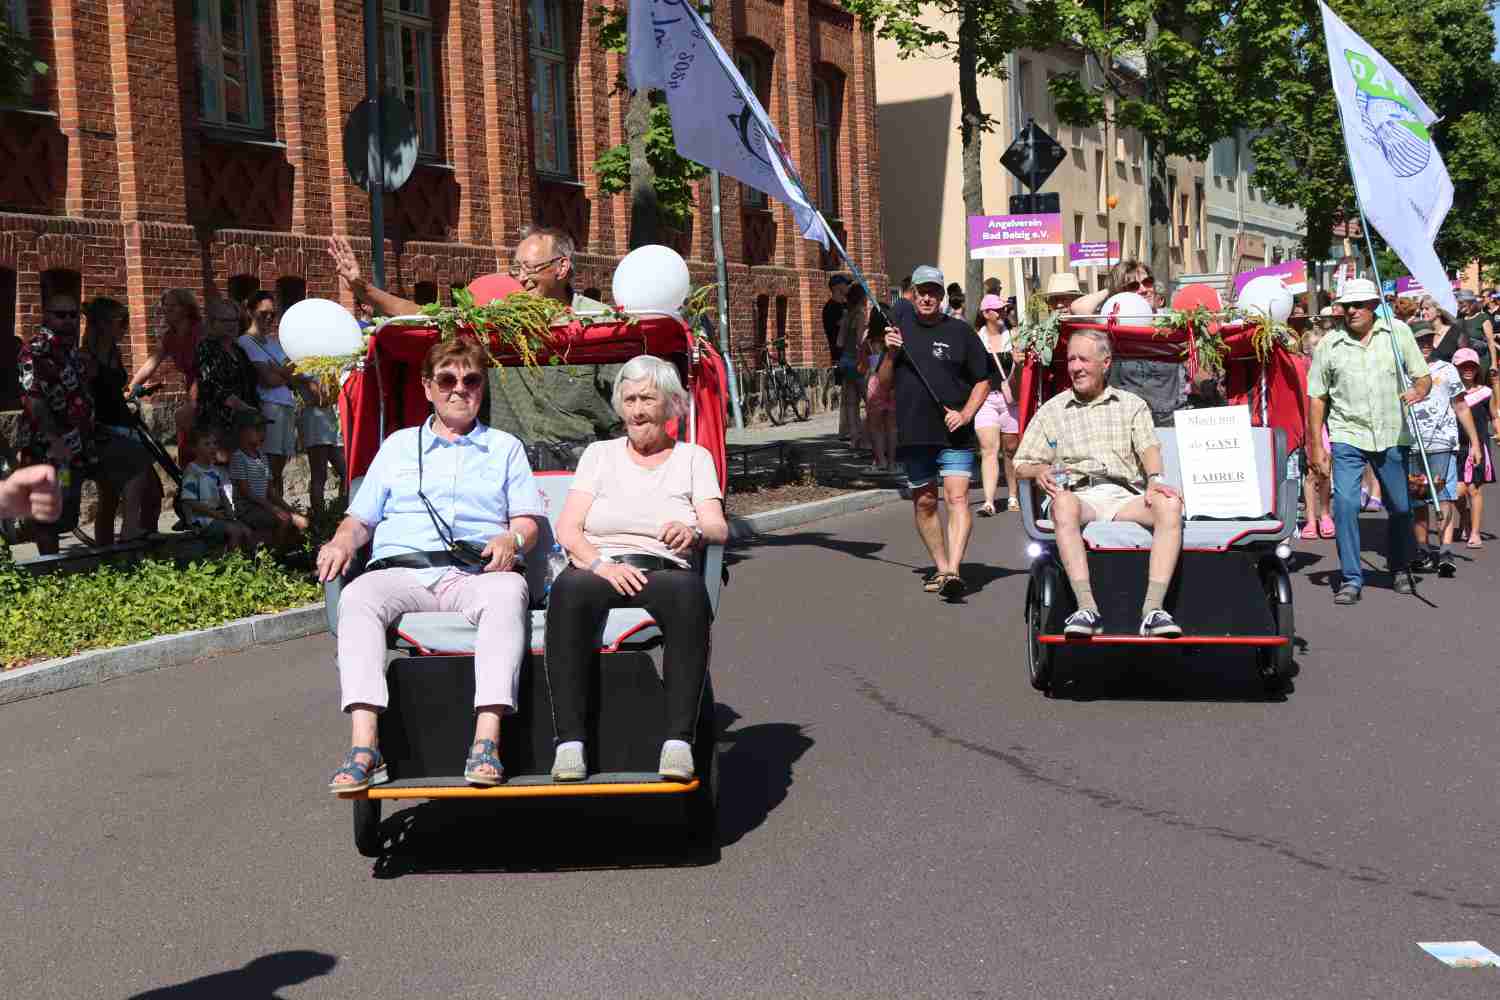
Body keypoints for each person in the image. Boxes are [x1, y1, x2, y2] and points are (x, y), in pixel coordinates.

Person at [317, 336, 544, 791]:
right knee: (357, 595)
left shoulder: (505, 447)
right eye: (447, 380)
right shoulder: (398, 446)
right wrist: (341, 541)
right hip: (401, 571)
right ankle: (365, 746)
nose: (459, 389)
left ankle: (486, 740)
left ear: (482, 388)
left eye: (471, 380)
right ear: (427, 387)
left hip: (474, 574)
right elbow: (360, 519)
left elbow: (528, 522)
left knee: (507, 592)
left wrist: (512, 538)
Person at [545, 356, 729, 783]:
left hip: (664, 567)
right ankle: (569, 742)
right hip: (600, 566)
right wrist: (600, 565)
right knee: (568, 591)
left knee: (688, 594)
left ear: (671, 405)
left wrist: (693, 530)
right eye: (629, 400)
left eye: (647, 399)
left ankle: (678, 741)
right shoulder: (599, 455)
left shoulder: (692, 458)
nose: (637, 410)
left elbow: (718, 526)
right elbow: (568, 529)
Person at [1013, 327, 1186, 637]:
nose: (1076, 367)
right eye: (1071, 360)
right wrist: (1039, 470)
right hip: (1078, 495)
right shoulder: (1052, 410)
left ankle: (1153, 609)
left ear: (1105, 364)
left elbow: (1148, 447)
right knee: (1063, 504)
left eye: (1083, 359)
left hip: (1124, 495)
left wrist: (1155, 479)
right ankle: (1086, 607)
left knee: (1170, 503)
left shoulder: (1131, 404)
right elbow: (1020, 463)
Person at [1306, 278, 1432, 604]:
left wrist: (1419, 390)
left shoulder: (1397, 333)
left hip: (1392, 433)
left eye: (1358, 305)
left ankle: (1400, 566)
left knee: (1401, 507)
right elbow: (1317, 397)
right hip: (1347, 434)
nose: (1351, 311)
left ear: (1374, 306)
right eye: (1347, 306)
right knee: (1346, 505)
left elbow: (1423, 376)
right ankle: (1351, 577)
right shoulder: (1329, 345)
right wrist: (1316, 446)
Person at [877, 265, 993, 599]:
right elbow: (883, 384)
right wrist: (890, 354)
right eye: (921, 292)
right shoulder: (897, 332)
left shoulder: (960, 332)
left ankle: (953, 570)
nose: (927, 297)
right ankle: (941, 567)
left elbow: (983, 379)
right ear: (912, 294)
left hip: (954, 433)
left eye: (933, 292)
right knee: (925, 502)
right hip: (915, 431)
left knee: (957, 498)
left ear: (942, 295)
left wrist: (966, 413)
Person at [16, 294, 156, 554]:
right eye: (60, 315)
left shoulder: (71, 351)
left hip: (85, 442)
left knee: (135, 458)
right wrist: (54, 440)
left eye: (72, 315)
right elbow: (33, 399)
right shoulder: (35, 350)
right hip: (51, 448)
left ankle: (124, 540)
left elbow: (82, 394)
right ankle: (52, 567)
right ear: (46, 316)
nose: (68, 320)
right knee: (56, 511)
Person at [82, 296, 161, 544]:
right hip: (105, 431)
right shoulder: (87, 358)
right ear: (104, 324)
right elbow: (87, 399)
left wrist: (130, 395)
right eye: (121, 322)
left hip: (125, 424)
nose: (126, 328)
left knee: (152, 492)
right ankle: (121, 540)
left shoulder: (114, 352)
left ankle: (141, 540)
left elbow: (113, 391)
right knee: (111, 494)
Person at [1406, 328, 1481, 577]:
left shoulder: (1446, 369)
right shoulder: (1402, 370)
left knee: (1444, 497)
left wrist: (1475, 442)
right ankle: (1423, 550)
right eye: (1420, 340)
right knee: (1418, 499)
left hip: (1443, 442)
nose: (1425, 344)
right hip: (1412, 443)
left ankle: (1446, 551)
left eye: (1429, 339)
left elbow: (1461, 406)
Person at [127, 288, 202, 464]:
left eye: (172, 306)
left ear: (186, 308)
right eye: (165, 306)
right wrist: (130, 388)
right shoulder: (170, 336)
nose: (167, 310)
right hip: (192, 388)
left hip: (208, 384)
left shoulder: (199, 331)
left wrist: (194, 401)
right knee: (187, 430)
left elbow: (204, 368)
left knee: (189, 425)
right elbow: (151, 363)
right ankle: (189, 472)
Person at [238, 292, 299, 498]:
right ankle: (270, 507)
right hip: (269, 407)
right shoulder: (245, 342)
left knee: (280, 467)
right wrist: (284, 373)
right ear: (250, 312)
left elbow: (295, 373)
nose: (269, 318)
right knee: (269, 466)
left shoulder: (274, 343)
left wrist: (279, 370)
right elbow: (267, 380)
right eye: (263, 313)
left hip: (286, 406)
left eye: (273, 314)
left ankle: (279, 505)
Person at [972, 293, 1023, 516]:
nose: (1004, 313)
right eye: (999, 310)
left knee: (1011, 449)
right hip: (986, 399)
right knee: (988, 449)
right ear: (986, 314)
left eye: (1005, 309)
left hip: (1010, 398)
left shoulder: (1014, 336)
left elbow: (1023, 374)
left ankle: (1013, 495)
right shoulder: (976, 338)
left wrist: (1019, 363)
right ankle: (989, 502)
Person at [229, 410, 309, 549]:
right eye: (257, 429)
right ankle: (274, 553)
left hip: (263, 506)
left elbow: (271, 490)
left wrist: (289, 508)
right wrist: (273, 508)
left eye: (264, 429)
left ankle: (290, 550)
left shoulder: (262, 456)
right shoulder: (238, 458)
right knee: (284, 520)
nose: (263, 433)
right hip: (247, 509)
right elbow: (246, 492)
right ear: (242, 432)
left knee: (303, 522)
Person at [179, 423, 256, 553]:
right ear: (194, 448)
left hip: (215, 516)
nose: (213, 447)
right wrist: (216, 515)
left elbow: (222, 494)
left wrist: (229, 512)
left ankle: (250, 560)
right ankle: (233, 561)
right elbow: (189, 501)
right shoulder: (193, 471)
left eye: (215, 443)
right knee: (235, 531)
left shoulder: (215, 471)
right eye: (207, 444)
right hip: (200, 519)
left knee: (247, 531)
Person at [194, 298, 260, 434]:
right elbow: (211, 385)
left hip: (244, 423)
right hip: (217, 424)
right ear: (212, 323)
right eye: (225, 321)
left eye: (234, 320)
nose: (231, 325)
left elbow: (251, 384)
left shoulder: (239, 350)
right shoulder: (206, 348)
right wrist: (240, 405)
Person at [1452, 348, 1496, 550]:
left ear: (1478, 369)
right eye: (1463, 366)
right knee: (1454, 491)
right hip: (1455, 446)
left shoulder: (1486, 393)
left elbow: (1494, 416)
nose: (1468, 370)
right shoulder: (1451, 393)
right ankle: (1465, 517)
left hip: (1477, 446)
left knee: (1473, 489)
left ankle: (1475, 532)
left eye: (1472, 366)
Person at [1294, 323, 1334, 540]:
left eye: (1320, 345)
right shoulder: (1302, 367)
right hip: (1306, 426)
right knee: (1310, 474)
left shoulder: (1329, 366)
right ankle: (1311, 519)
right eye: (1313, 345)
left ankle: (1325, 514)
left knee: (1325, 472)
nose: (1316, 349)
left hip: (1326, 425)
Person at [861, 321, 897, 471]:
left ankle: (881, 461)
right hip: (893, 382)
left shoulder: (868, 341)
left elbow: (862, 365)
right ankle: (892, 462)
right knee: (892, 426)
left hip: (875, 382)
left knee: (875, 426)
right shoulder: (895, 337)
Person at [838, 283, 869, 449]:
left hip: (845, 361)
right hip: (858, 362)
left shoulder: (846, 316)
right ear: (862, 298)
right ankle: (867, 438)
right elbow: (859, 340)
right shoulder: (860, 315)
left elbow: (839, 342)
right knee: (870, 401)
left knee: (851, 403)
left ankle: (854, 438)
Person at [1455, 290, 1497, 377]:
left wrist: (1494, 364)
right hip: (1464, 361)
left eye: (1462, 303)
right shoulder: (1459, 320)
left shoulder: (1482, 317)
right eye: (1459, 303)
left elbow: (1491, 342)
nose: (1460, 306)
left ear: (1471, 303)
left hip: (1481, 361)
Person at [823, 274, 850, 366]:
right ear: (836, 287)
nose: (847, 286)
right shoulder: (830, 307)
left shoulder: (846, 305)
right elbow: (841, 326)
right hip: (839, 356)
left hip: (851, 354)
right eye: (845, 284)